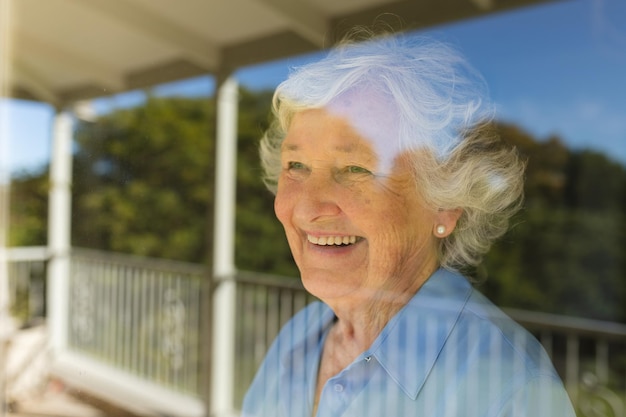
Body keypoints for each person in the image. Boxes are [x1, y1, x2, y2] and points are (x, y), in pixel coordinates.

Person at [242, 30, 576, 417]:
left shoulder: (511, 389)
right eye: (296, 166)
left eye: (354, 168)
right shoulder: (296, 340)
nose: (307, 207)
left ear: (445, 204)